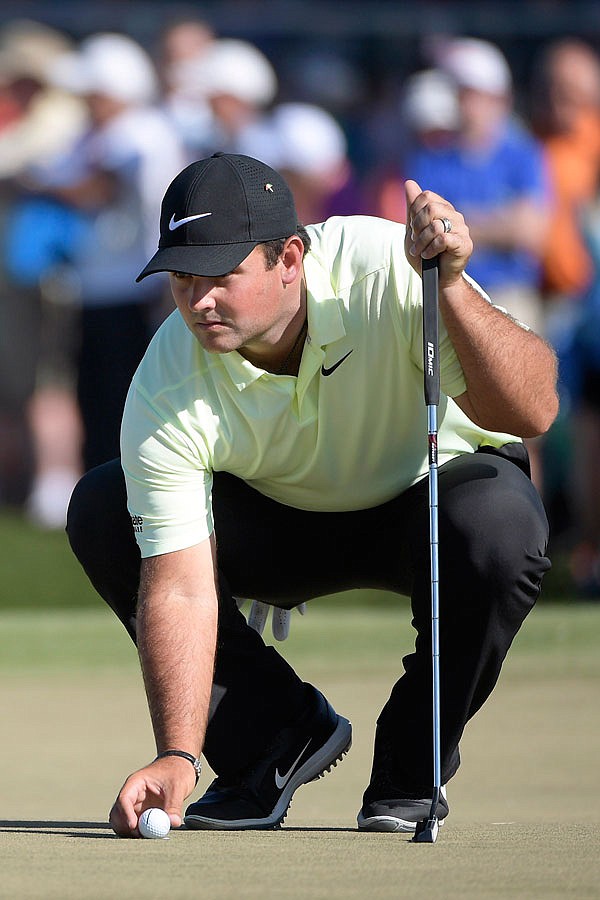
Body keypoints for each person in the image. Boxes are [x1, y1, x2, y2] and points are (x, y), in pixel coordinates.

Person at [66, 152, 558, 837]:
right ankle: (270, 740)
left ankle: (412, 766)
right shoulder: (167, 379)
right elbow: (180, 588)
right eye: (181, 278)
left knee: (500, 523)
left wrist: (450, 287)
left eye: (220, 277)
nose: (197, 300)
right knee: (104, 507)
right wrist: (178, 753)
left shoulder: (386, 266)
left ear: (289, 259)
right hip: (281, 520)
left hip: (426, 501)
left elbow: (533, 410)